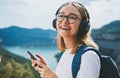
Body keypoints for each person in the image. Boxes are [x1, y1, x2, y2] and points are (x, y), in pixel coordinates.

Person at [30, 1, 100, 78]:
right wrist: (46, 69)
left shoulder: (89, 56)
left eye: (72, 17)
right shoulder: (66, 53)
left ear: (83, 26)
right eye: (61, 16)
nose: (64, 21)